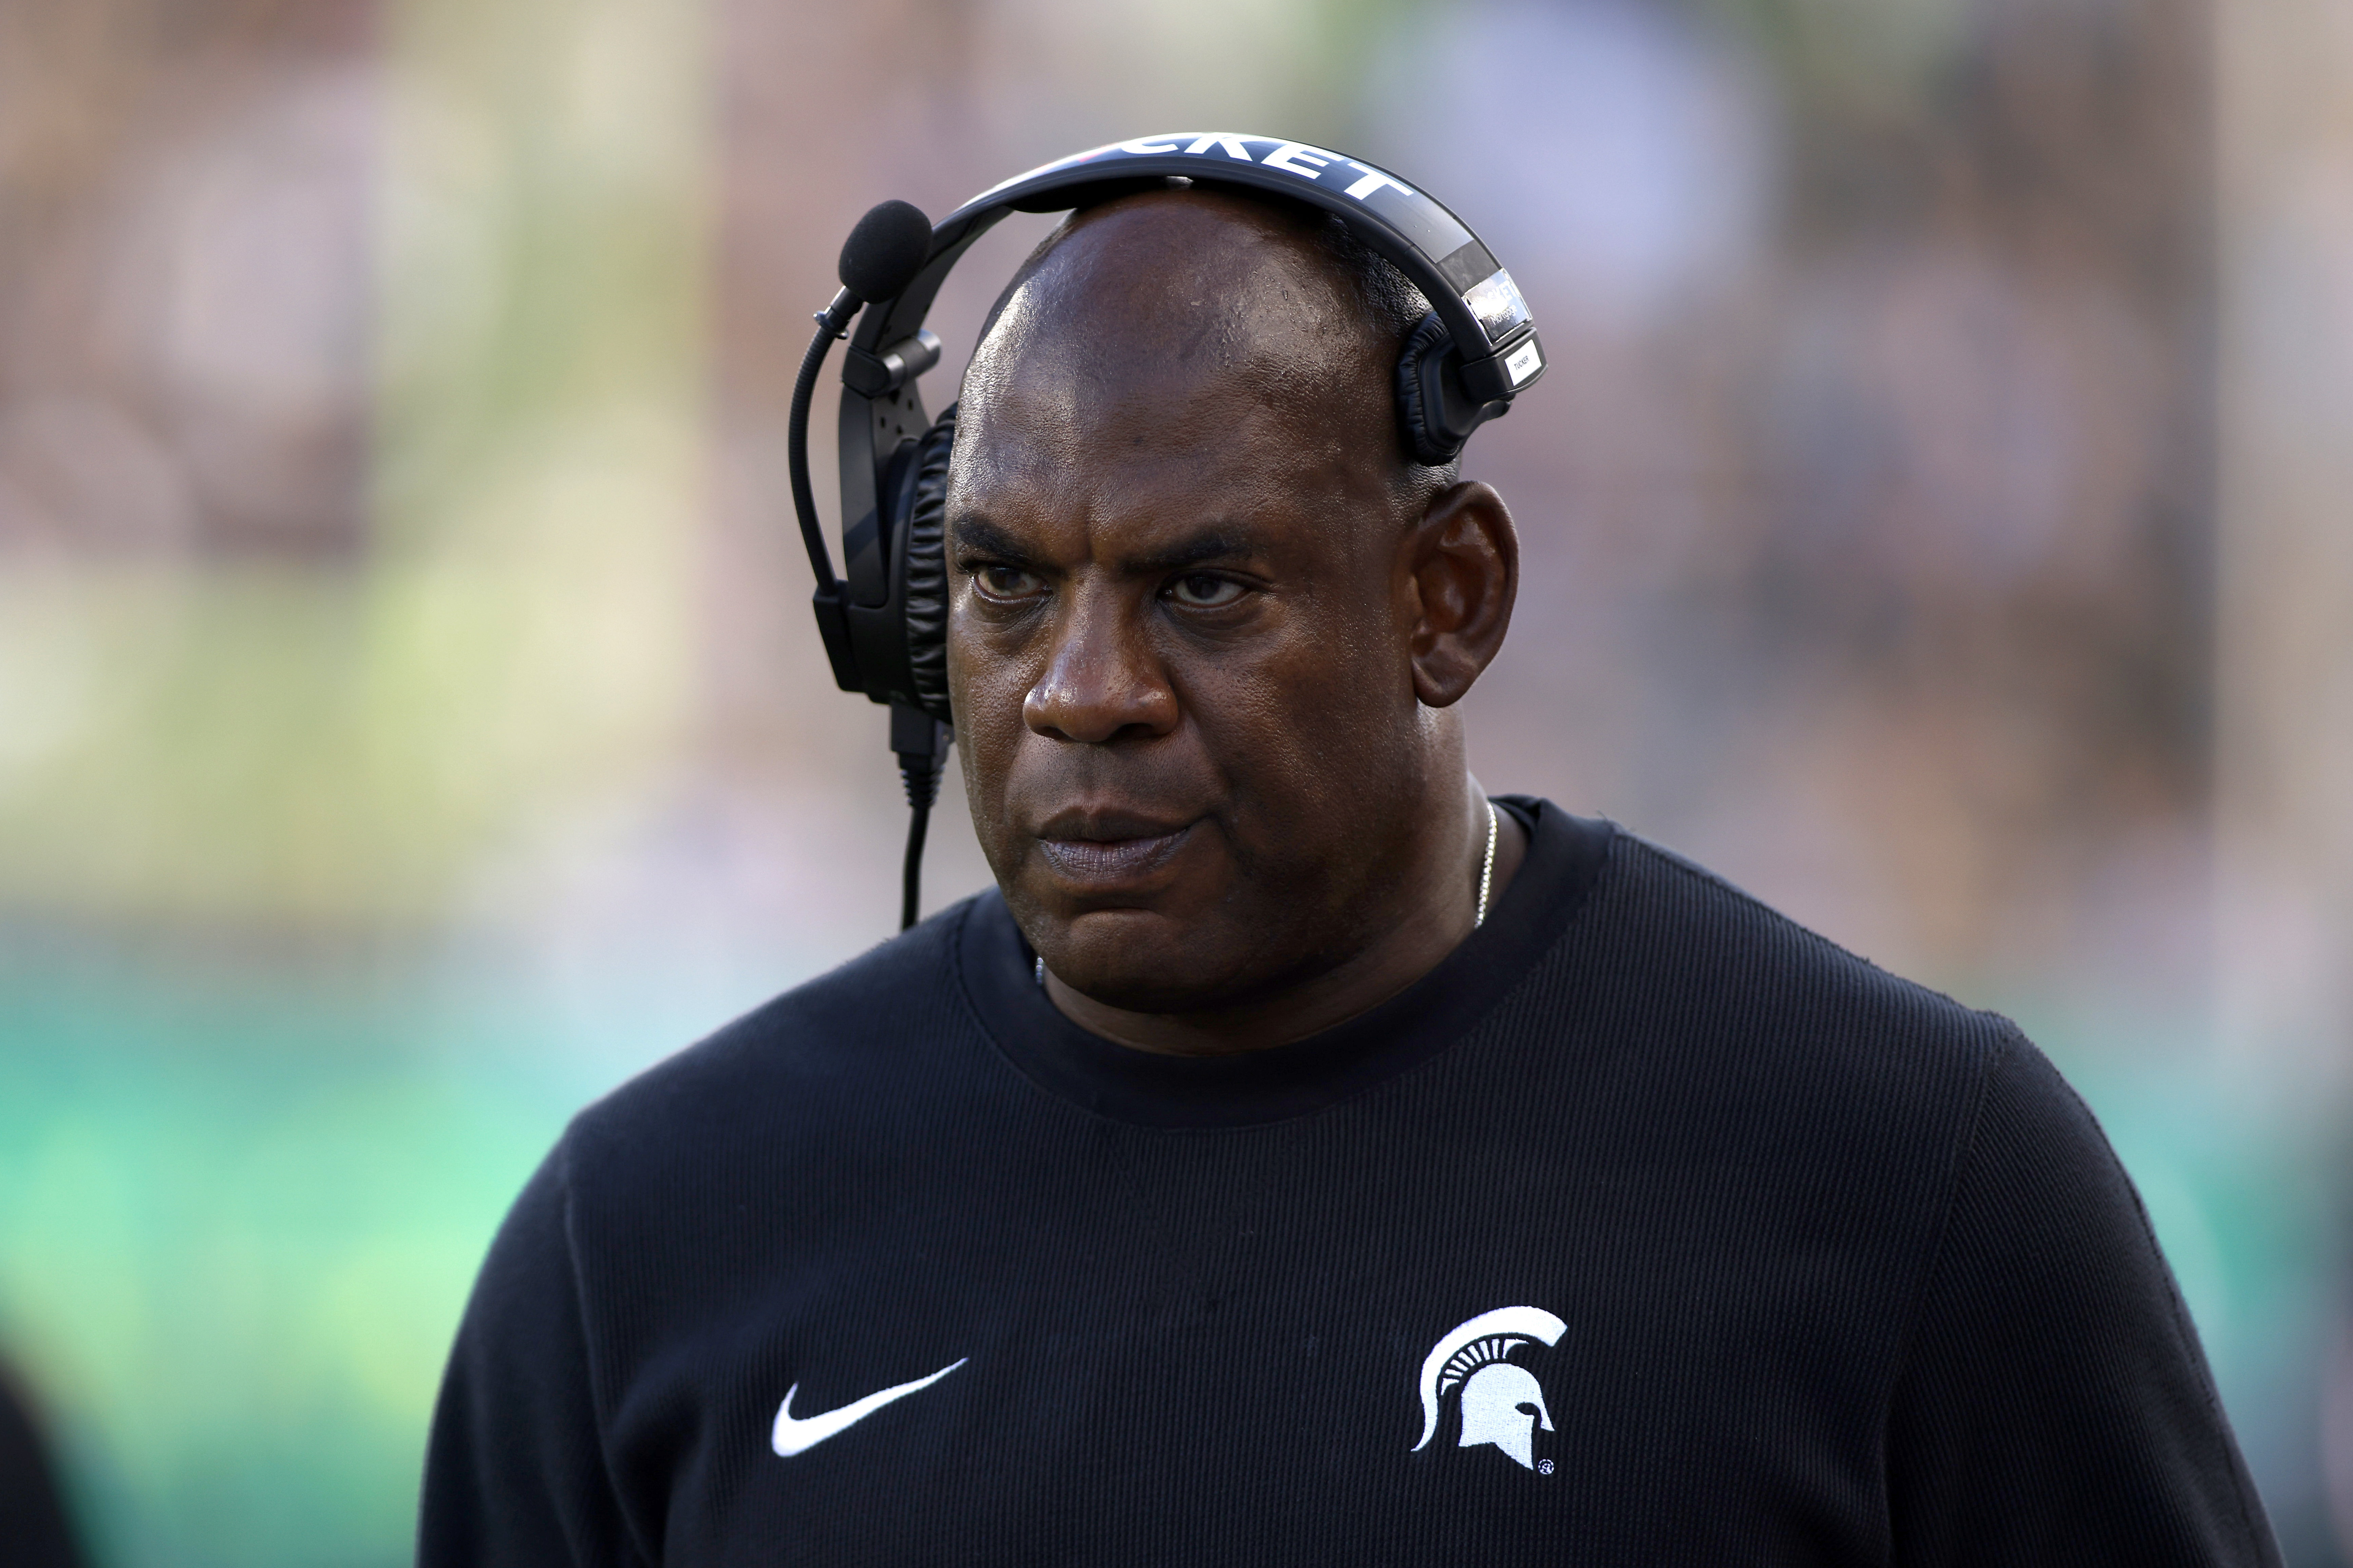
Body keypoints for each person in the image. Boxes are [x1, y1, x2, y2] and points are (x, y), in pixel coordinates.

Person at [418, 184, 2280, 1564]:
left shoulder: (1914, 1173)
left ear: (1446, 598)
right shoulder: (641, 1246)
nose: (1083, 690)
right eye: (1004, 587)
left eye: (1204, 586)